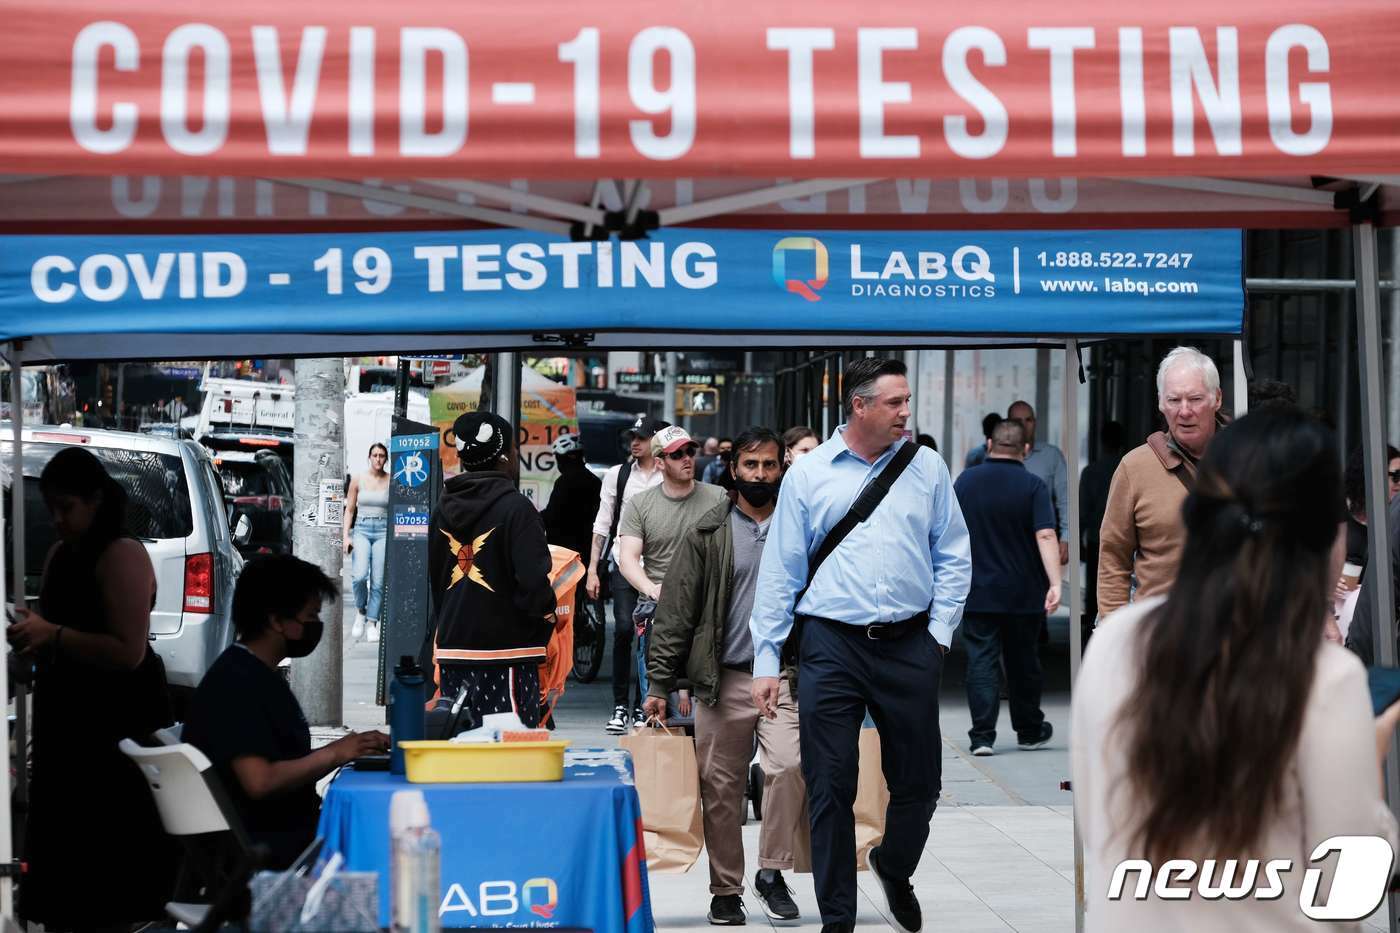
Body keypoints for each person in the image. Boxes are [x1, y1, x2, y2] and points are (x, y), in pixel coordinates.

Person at [1072, 407, 1400, 931]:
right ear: (1319, 536)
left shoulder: (1114, 642)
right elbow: (1345, 886)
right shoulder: (1324, 677)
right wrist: (1375, 748)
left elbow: (1096, 821)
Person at [750, 357, 971, 933]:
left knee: (920, 783)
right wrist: (768, 658)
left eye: (906, 401)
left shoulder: (926, 466)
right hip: (831, 645)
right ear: (860, 405)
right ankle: (838, 920)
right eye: (895, 402)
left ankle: (893, 866)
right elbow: (781, 571)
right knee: (829, 784)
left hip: (909, 644)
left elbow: (953, 552)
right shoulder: (810, 473)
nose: (906, 412)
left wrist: (938, 637)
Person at [9, 447, 178, 928]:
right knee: (69, 878)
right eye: (52, 509)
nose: (57, 520)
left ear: (96, 500)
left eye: (67, 508)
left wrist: (53, 635)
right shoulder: (62, 553)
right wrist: (33, 641)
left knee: (104, 876)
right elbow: (56, 629)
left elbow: (128, 651)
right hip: (69, 728)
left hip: (112, 731)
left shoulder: (123, 554)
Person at [644, 427, 804, 926]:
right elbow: (675, 613)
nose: (761, 475)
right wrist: (659, 684)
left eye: (770, 466)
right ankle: (725, 890)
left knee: (786, 768)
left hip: (783, 678)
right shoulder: (708, 533)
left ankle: (772, 872)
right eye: (751, 466)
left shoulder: (801, 530)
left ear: (783, 469)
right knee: (721, 790)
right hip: (722, 679)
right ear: (733, 469)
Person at [183, 555, 390, 868]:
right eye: (310, 615)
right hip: (272, 849)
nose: (315, 625)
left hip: (287, 836)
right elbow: (260, 781)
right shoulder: (237, 684)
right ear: (276, 620)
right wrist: (336, 753)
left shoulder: (257, 674)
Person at [428, 412, 558, 729]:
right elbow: (534, 585)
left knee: (459, 753)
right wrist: (543, 622)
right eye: (514, 448)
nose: (516, 455)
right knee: (511, 761)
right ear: (503, 456)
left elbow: (435, 581)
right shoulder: (517, 509)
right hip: (509, 656)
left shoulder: (441, 510)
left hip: (454, 655)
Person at [954, 418, 1060, 756]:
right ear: (1026, 450)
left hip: (978, 590)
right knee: (1023, 662)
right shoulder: (1033, 486)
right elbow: (1044, 534)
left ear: (989, 445)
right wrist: (1056, 582)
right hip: (1024, 593)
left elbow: (950, 533)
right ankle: (1029, 731)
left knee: (981, 662)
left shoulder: (966, 483)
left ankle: (982, 736)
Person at [1098, 346, 1224, 618]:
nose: (1185, 411)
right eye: (1174, 400)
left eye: (1195, 398)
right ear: (1160, 403)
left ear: (1217, 399)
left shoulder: (1251, 458)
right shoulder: (1135, 468)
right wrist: (1113, 633)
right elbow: (1113, 559)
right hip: (1159, 640)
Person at [618, 426, 729, 705]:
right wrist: (651, 589)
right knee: (658, 704)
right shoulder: (640, 504)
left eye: (690, 451)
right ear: (659, 463)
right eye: (676, 454)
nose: (687, 458)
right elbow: (628, 558)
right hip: (660, 611)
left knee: (708, 701)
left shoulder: (719, 498)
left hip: (708, 611)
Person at [588, 415, 668, 733]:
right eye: (632, 437)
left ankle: (641, 706)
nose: (635, 442)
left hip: (659, 567)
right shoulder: (617, 476)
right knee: (623, 629)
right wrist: (593, 569)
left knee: (650, 638)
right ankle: (621, 705)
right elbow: (602, 523)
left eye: (642, 437)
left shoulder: (668, 475)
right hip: (624, 563)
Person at [1007, 400, 1070, 566]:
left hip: (1041, 543)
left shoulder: (1051, 456)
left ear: (1034, 423)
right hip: (1006, 543)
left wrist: (1066, 537)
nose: (1024, 425)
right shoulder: (996, 458)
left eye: (1028, 420)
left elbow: (1066, 498)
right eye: (1018, 421)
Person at [1079, 421, 1126, 633]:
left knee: (1096, 585)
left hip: (1096, 538)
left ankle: (1093, 624)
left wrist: (1077, 540)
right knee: (1122, 583)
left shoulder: (1091, 472)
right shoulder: (1129, 468)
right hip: (1125, 539)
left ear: (1102, 441)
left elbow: (1083, 509)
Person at [343, 441, 389, 643]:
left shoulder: (391, 480)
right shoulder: (358, 479)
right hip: (362, 529)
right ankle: (361, 611)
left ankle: (372, 621)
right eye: (375, 455)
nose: (378, 459)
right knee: (359, 576)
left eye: (381, 455)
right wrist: (346, 536)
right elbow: (350, 510)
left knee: (378, 581)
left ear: (385, 459)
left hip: (383, 531)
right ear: (369, 457)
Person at [541, 432, 602, 561]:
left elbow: (552, 515)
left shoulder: (564, 482)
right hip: (587, 551)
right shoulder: (595, 481)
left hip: (564, 553)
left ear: (566, 458)